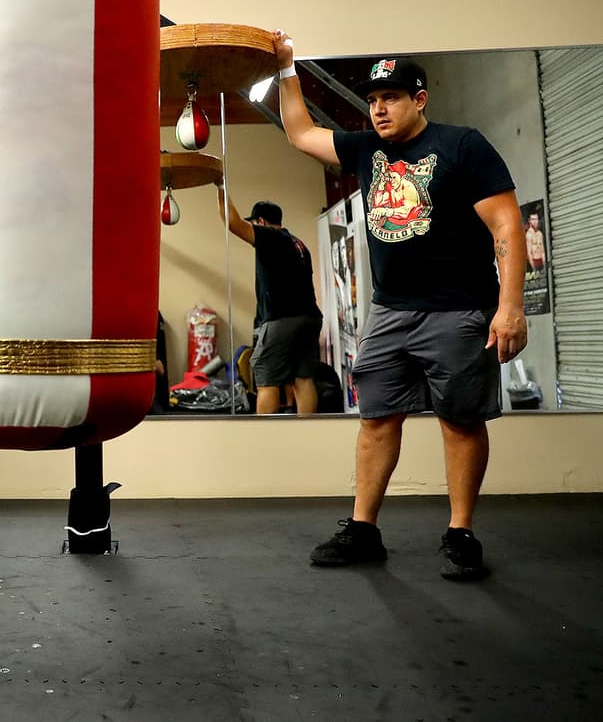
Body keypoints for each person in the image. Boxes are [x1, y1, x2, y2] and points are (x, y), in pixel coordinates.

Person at [272, 33, 527, 581]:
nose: (379, 108)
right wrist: (287, 69)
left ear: (420, 99)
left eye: (391, 96)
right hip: (388, 313)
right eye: (372, 99)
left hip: (458, 310)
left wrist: (511, 307)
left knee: (460, 421)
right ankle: (363, 529)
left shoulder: (463, 146)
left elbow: (506, 223)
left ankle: (460, 533)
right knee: (376, 418)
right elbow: (298, 132)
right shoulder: (366, 149)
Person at [216, 194, 323, 414]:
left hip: (282, 319)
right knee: (302, 378)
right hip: (310, 317)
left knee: (266, 378)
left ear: (261, 222)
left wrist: (220, 189)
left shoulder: (270, 236)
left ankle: (264, 437)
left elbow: (233, 223)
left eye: (254, 223)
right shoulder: (297, 243)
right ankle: (309, 433)